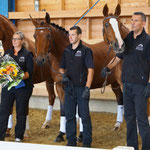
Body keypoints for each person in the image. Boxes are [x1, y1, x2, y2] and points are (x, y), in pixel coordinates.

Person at [101, 12, 150, 150]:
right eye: (132, 20)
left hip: (141, 86)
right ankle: (132, 147)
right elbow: (118, 57)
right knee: (129, 118)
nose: (133, 23)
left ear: (144, 23)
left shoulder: (147, 41)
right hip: (127, 85)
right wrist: (108, 68)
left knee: (142, 120)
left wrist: (149, 84)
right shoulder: (127, 39)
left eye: (136, 20)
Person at [59, 26, 94, 147]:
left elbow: (90, 70)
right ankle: (71, 141)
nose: (70, 37)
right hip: (69, 89)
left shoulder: (86, 51)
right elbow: (61, 67)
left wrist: (87, 87)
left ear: (79, 36)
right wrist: (63, 75)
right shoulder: (66, 50)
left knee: (84, 116)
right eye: (69, 35)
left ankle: (87, 142)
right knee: (69, 116)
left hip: (81, 88)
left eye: (73, 35)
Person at [0, 31, 34, 142]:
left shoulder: (27, 54)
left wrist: (16, 76)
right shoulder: (7, 53)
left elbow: (29, 73)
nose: (14, 41)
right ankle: (1, 136)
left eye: (17, 39)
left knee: (21, 112)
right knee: (3, 111)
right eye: (13, 39)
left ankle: (18, 137)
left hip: (23, 88)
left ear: (22, 41)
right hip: (8, 87)